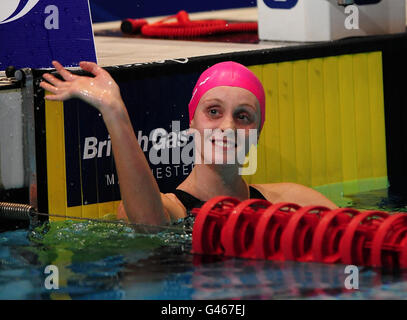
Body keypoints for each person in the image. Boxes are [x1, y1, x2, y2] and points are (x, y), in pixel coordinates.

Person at [40, 60, 337, 226]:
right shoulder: (170, 209)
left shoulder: (290, 201)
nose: (228, 127)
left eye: (243, 116)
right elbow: (148, 225)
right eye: (214, 112)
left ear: (257, 132)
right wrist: (115, 113)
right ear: (191, 122)